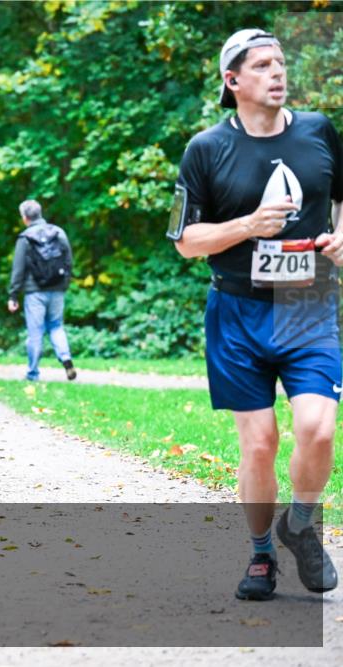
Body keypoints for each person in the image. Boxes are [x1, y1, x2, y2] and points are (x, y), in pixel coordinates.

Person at [170, 28, 342, 601]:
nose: (277, 72)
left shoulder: (319, 132)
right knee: (261, 443)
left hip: (308, 304)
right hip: (237, 310)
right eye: (262, 64)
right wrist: (247, 225)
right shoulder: (206, 149)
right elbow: (186, 241)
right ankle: (262, 552)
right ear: (232, 80)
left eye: (281, 62)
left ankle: (300, 522)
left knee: (318, 430)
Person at [7, 200, 77, 382]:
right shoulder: (58, 232)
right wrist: (64, 282)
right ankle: (66, 358)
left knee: (35, 332)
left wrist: (13, 295)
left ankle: (33, 373)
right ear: (40, 213)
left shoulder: (25, 238)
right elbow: (69, 260)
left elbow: (18, 269)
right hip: (57, 288)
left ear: (25, 218)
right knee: (56, 326)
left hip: (34, 291)